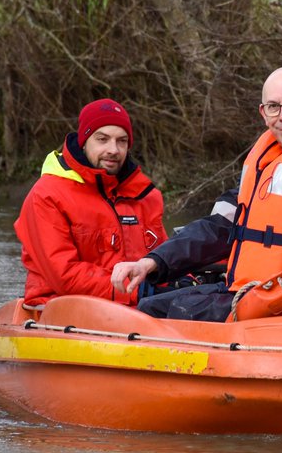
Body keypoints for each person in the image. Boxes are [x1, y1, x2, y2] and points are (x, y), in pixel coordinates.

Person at [111, 67, 282, 321]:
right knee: (151, 308)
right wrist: (153, 261)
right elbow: (216, 229)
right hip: (253, 292)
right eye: (273, 107)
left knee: (180, 313)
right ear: (262, 112)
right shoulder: (263, 164)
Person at [14, 98, 167, 308]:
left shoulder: (146, 197)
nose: (113, 149)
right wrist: (139, 291)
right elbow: (64, 276)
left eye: (121, 141)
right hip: (61, 311)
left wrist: (186, 280)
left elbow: (164, 256)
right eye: (102, 139)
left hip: (139, 308)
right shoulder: (46, 195)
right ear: (84, 142)